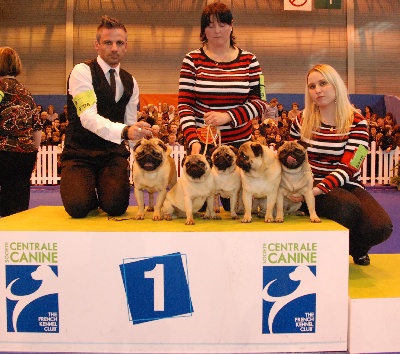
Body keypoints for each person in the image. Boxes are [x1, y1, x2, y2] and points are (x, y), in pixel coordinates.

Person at [290, 63, 392, 266]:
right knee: (347, 207)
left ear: (336, 86)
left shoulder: (359, 122)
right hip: (308, 183)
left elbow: (352, 165)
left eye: (323, 83)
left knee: (381, 227)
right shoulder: (300, 121)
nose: (317, 90)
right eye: (312, 86)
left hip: (342, 183)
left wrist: (318, 190)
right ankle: (331, 256)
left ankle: (357, 248)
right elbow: (292, 159)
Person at [60, 15, 151, 218]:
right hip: (79, 153)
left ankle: (105, 191)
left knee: (116, 207)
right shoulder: (81, 72)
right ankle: (87, 193)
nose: (114, 48)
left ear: (126, 46)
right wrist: (126, 131)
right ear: (97, 45)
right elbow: (88, 117)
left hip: (112, 154)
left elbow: (130, 123)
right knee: (78, 207)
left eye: (119, 43)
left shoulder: (131, 81)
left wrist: (143, 153)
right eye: (108, 42)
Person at [0, 46, 43, 217]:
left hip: (3, 150)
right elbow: (37, 128)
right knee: (17, 205)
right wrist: (32, 150)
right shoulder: (26, 93)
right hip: (24, 154)